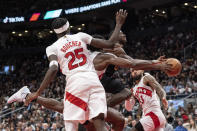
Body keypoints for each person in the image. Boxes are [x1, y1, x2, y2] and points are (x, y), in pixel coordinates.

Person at [23, 9, 127, 131]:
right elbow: (110, 44)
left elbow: (53, 68)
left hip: (75, 83)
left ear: (55, 32)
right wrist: (119, 23)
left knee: (72, 122)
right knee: (99, 120)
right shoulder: (80, 36)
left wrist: (38, 92)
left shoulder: (52, 48)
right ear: (68, 27)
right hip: (92, 79)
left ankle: (26, 94)